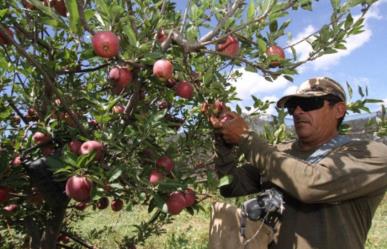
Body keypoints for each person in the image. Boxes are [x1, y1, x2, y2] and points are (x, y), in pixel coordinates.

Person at [209, 77, 387, 249]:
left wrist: (245, 138)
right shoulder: (279, 152)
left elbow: (310, 184)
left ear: (339, 110)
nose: (297, 112)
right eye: (292, 107)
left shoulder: (370, 153)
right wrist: (222, 140)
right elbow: (231, 187)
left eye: (310, 104)